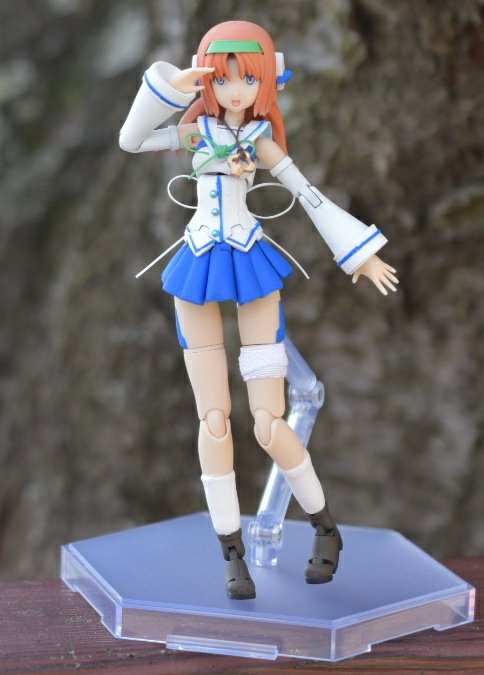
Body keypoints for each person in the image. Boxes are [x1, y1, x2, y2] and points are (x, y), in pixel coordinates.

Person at [119, 20, 398, 600]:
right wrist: (170, 86)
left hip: (250, 264)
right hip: (198, 263)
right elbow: (131, 140)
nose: (235, 90)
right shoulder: (194, 134)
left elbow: (308, 194)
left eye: (248, 78)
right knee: (213, 419)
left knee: (269, 423)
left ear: (267, 80)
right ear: (208, 80)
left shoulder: (261, 140)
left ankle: (325, 527)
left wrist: (359, 253)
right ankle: (231, 552)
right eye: (222, 78)